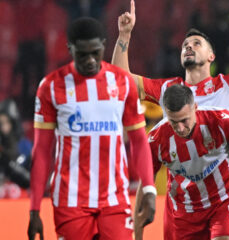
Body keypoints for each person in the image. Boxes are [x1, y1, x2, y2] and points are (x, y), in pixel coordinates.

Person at [112, 0, 229, 239]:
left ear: (211, 55)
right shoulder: (168, 89)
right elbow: (120, 79)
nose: (188, 46)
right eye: (185, 44)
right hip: (183, 199)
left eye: (197, 43)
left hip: (223, 193)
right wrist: (124, 35)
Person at [27, 17, 156, 240]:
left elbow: (138, 141)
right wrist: (34, 209)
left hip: (115, 198)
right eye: (82, 54)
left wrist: (150, 190)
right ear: (70, 49)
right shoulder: (50, 86)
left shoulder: (122, 82)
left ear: (104, 45)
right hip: (70, 200)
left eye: (95, 52)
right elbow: (41, 151)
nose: (90, 60)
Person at [147, 84, 229, 239]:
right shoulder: (156, 139)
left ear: (195, 108)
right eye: (173, 122)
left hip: (223, 200)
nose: (180, 128)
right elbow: (145, 178)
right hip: (186, 210)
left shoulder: (220, 120)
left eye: (184, 120)